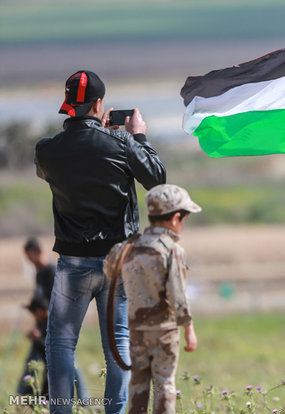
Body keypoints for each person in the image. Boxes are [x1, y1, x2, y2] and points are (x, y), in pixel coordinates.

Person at [35, 70, 167, 414]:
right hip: (118, 259)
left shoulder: (47, 151)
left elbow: (55, 167)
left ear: (69, 105)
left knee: (61, 344)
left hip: (72, 260)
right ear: (99, 104)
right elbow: (156, 179)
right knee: (118, 344)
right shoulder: (121, 143)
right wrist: (136, 137)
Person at [103, 184, 200, 414]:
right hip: (164, 331)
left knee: (138, 383)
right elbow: (177, 293)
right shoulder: (171, 250)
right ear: (176, 218)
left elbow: (109, 269)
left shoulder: (128, 246)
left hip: (136, 329)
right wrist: (188, 328)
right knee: (164, 383)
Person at [18, 237, 89, 399]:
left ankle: (84, 399)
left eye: (29, 256)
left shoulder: (52, 271)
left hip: (57, 324)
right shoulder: (39, 274)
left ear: (36, 252)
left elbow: (58, 303)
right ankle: (27, 395)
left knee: (70, 362)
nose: (28, 260)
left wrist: (44, 319)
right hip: (44, 325)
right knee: (37, 359)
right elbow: (42, 300)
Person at [17, 294, 50, 398]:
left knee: (48, 391)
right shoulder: (41, 320)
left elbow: (53, 346)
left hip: (52, 363)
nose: (34, 317)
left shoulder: (53, 321)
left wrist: (39, 338)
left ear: (39, 311)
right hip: (46, 363)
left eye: (34, 314)